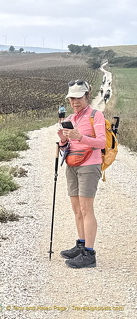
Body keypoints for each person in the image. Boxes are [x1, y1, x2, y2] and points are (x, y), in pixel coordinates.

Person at [57, 79, 106, 269]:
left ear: (87, 96)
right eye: (71, 98)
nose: (75, 102)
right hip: (72, 164)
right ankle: (81, 244)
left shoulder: (96, 115)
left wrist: (80, 137)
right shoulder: (72, 117)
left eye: (78, 97)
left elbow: (101, 143)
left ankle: (89, 254)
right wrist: (63, 140)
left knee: (86, 210)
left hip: (89, 165)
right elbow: (67, 146)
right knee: (77, 210)